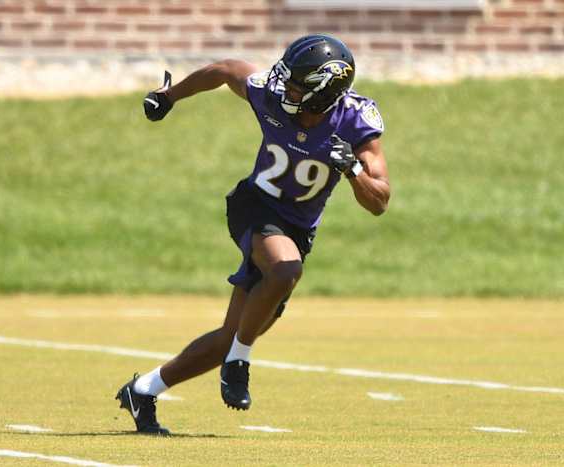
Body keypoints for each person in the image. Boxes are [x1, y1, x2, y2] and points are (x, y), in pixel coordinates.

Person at [115, 34, 391, 435]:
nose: (285, 89)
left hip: (297, 227)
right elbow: (226, 70)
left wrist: (353, 170)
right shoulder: (271, 96)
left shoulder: (355, 121)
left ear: (322, 92)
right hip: (255, 207)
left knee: (235, 330)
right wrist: (170, 95)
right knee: (284, 271)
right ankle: (239, 362)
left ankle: (143, 390)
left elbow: (380, 201)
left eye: (296, 85)